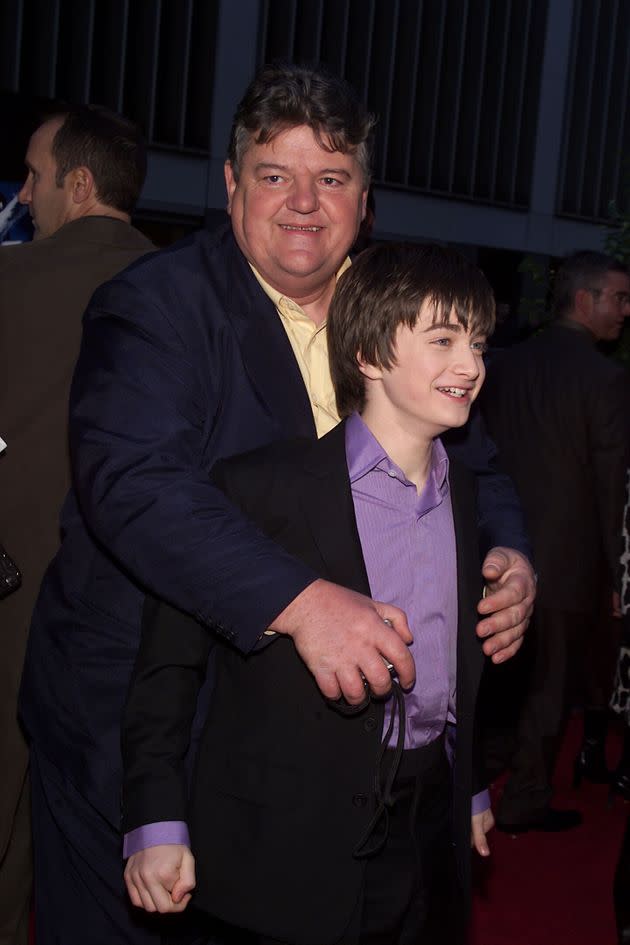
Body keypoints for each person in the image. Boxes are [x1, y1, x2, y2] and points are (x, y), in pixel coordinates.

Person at [19, 64, 534, 944]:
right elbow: (134, 486)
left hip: (313, 758)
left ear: (363, 201)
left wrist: (510, 555)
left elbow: (477, 464)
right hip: (142, 722)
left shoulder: (392, 310)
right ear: (230, 186)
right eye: (274, 175)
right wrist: (299, 602)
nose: (304, 202)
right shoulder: (155, 306)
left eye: (331, 178)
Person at [122, 242, 496, 945]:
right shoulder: (257, 488)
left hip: (427, 836)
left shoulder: (473, 501)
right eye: (444, 339)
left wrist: (466, 788)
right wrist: (156, 819)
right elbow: (168, 671)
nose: (472, 365)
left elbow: (458, 674)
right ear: (370, 354)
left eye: (478, 342)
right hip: (279, 846)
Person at [0, 104, 152, 945]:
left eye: (34, 175)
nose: (24, 195)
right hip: (135, 609)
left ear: (80, 184)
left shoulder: (10, 283)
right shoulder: (190, 290)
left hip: (13, 585)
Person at [482, 250, 630, 833]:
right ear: (584, 300)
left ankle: (480, 776)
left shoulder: (503, 364)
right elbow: (612, 485)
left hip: (497, 546)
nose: (626, 311)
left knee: (499, 673)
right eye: (618, 298)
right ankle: (524, 799)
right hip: (569, 559)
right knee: (549, 685)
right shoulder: (607, 379)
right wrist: (620, 578)